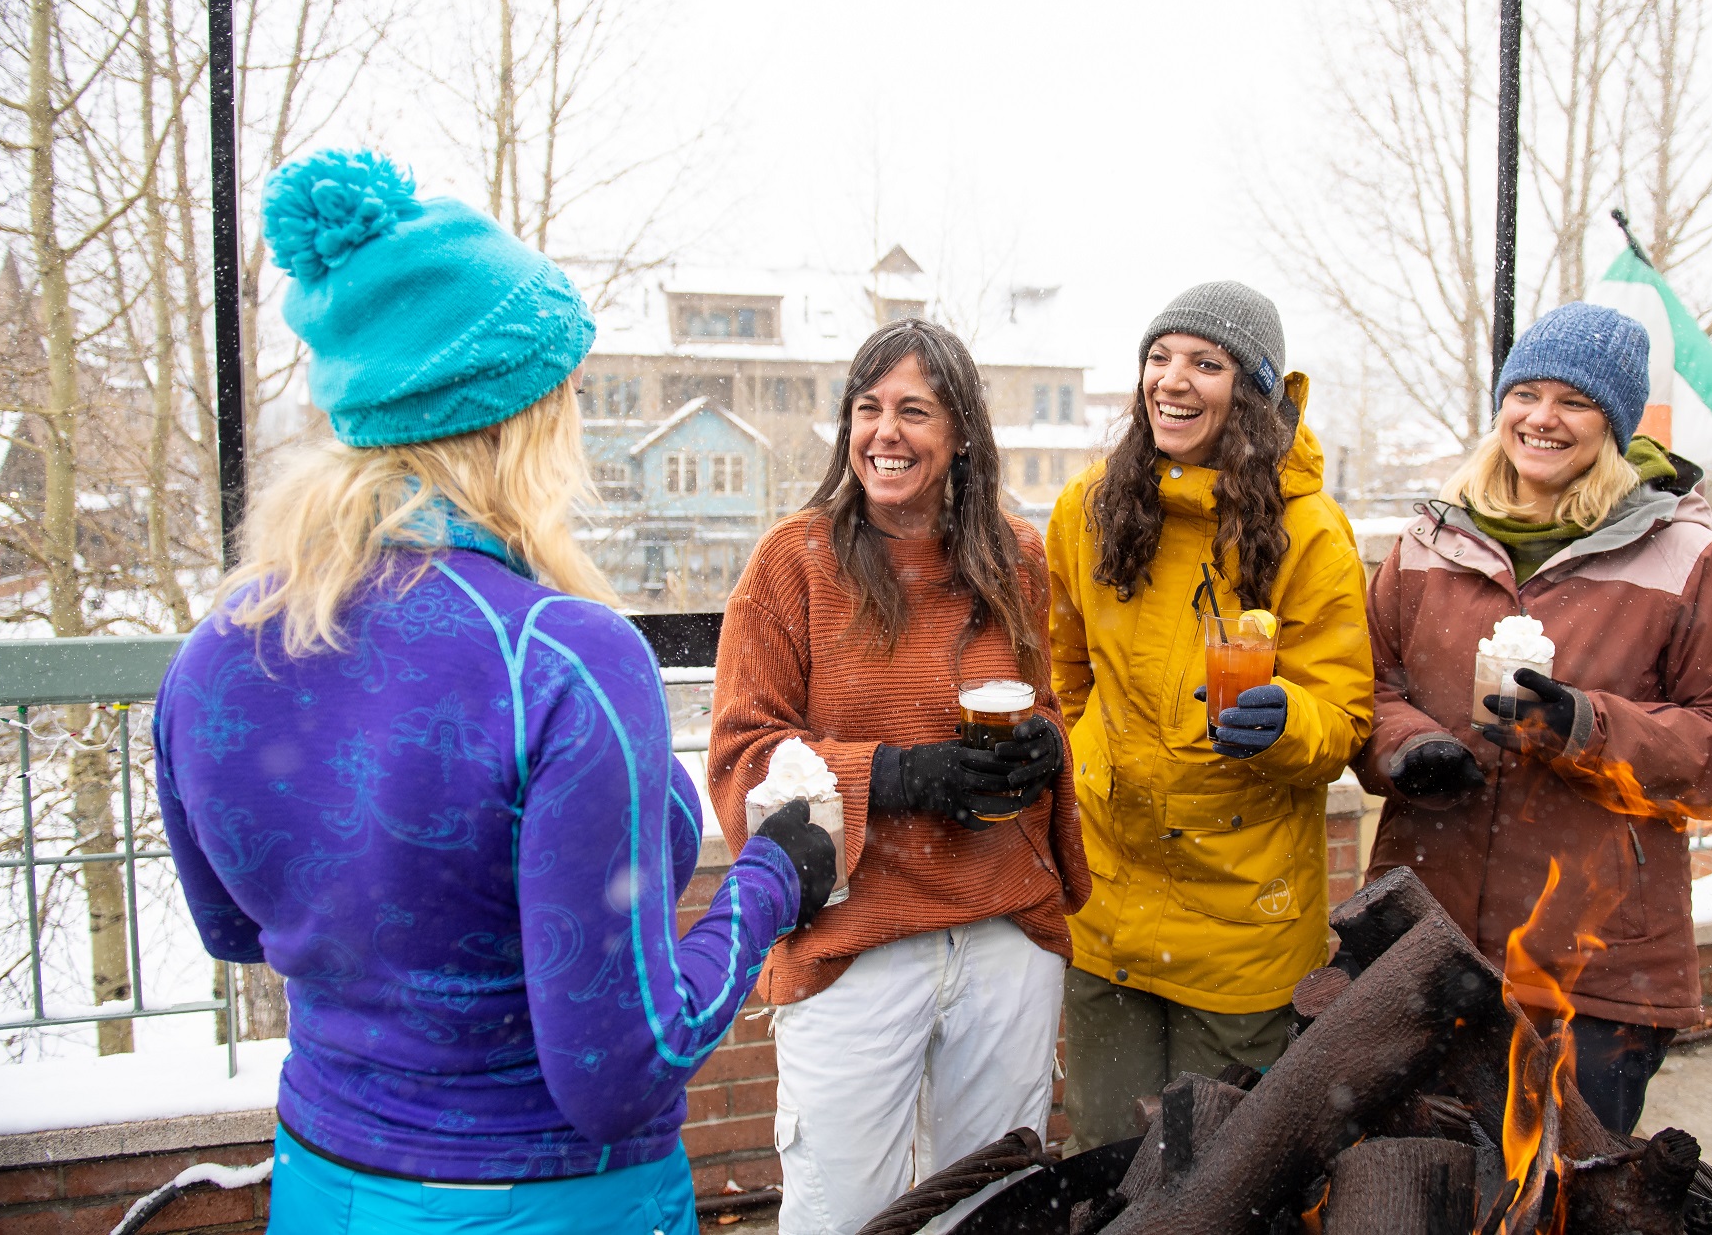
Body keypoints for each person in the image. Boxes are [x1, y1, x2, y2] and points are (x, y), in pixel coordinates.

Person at [153, 150, 836, 1235]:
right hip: (544, 1203)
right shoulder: (563, 659)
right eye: (564, 390)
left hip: (325, 1184)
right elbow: (626, 1065)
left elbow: (236, 926)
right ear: (519, 416)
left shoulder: (217, 650)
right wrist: (771, 881)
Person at [1354, 301, 1712, 1134]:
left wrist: (1588, 729)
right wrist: (1410, 746)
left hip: (1595, 968)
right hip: (1426, 945)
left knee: (1566, 1195)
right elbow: (1365, 687)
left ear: (1614, 425)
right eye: (1527, 393)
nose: (1543, 418)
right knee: (1412, 1184)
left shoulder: (1687, 558)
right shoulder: (1428, 542)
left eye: (1575, 402)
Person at [707, 318, 1089, 1235]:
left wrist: (1046, 747)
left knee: (996, 1209)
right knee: (842, 1217)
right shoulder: (791, 563)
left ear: (960, 432)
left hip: (1002, 934)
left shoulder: (1014, 557)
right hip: (858, 942)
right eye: (868, 408)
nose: (886, 432)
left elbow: (1043, 703)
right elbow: (742, 759)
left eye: (914, 410)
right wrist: (899, 775)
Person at [1047, 281, 1374, 1154]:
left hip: (1243, 922)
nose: (1173, 379)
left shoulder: (1311, 532)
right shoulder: (1090, 508)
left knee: (1219, 1172)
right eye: (1159, 357)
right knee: (1107, 1160)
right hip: (1109, 906)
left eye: (1206, 362)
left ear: (1255, 392)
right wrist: (1096, 761)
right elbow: (1067, 670)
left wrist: (1286, 724)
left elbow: (1343, 716)